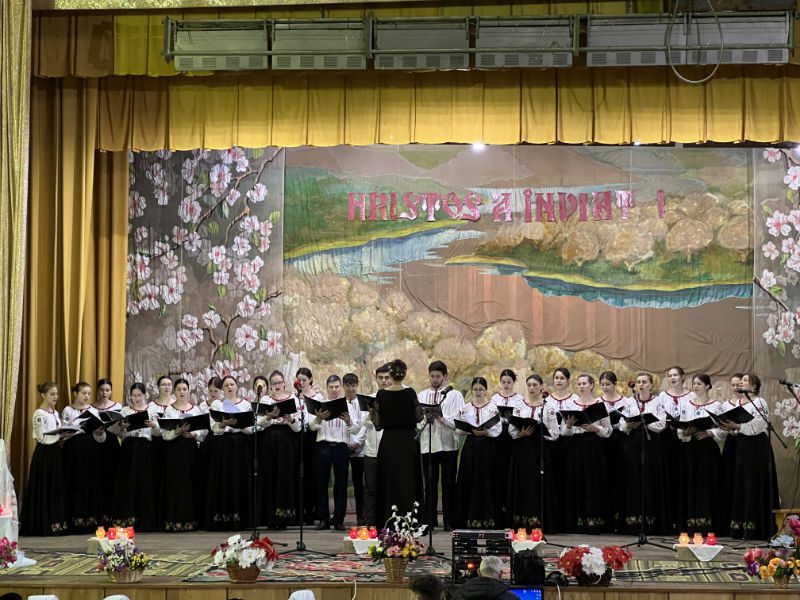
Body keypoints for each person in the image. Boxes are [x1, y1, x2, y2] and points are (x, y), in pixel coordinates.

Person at [724, 373, 780, 540]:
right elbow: (739, 427)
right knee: (743, 484)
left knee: (753, 483)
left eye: (745, 380)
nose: (742, 382)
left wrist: (738, 426)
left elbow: (759, 425)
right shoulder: (738, 403)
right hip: (742, 446)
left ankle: (757, 527)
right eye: (741, 380)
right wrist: (730, 427)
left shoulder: (759, 402)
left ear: (754, 386)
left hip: (757, 447)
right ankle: (741, 527)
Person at [559, 373, 612, 534]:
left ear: (592, 385)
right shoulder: (571, 404)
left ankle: (594, 521)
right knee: (577, 481)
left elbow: (608, 430)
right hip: (576, 446)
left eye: (584, 383)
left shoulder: (600, 405)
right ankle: (577, 522)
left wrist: (595, 428)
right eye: (579, 383)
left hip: (594, 446)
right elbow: (563, 432)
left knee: (593, 482)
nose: (581, 386)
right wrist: (569, 426)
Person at [507, 374, 559, 531]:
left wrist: (540, 431)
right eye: (529, 385)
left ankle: (539, 521)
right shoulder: (519, 406)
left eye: (535, 385)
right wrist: (521, 433)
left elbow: (555, 433)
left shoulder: (548, 407)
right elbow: (511, 430)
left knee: (538, 484)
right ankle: (522, 521)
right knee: (523, 483)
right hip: (522, 450)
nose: (531, 388)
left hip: (539, 450)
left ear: (541, 387)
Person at [375, 358, 424, 526]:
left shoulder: (382, 395)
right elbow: (419, 418)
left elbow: (378, 424)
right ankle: (410, 519)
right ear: (404, 374)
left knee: (389, 480)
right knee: (408, 480)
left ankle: (388, 519)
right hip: (408, 442)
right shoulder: (410, 393)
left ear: (390, 375)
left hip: (389, 442)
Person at [620, 372, 670, 535]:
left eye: (644, 382)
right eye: (639, 382)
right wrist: (628, 425)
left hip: (651, 443)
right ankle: (633, 522)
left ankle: (651, 522)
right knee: (633, 479)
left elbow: (661, 424)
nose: (641, 384)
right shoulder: (630, 402)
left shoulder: (658, 402)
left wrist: (645, 422)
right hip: (633, 443)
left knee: (650, 479)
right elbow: (621, 423)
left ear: (651, 385)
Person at [417, 360, 464, 531]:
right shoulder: (421, 395)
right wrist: (425, 418)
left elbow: (459, 419)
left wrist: (442, 418)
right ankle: (430, 521)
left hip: (448, 444)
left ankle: (449, 521)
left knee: (449, 483)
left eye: (438, 376)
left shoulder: (455, 395)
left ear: (445, 376)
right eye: (432, 376)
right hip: (428, 445)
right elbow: (417, 421)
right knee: (430, 484)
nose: (435, 379)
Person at [309, 374, 360, 531]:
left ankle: (338, 520)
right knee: (321, 483)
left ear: (341, 387)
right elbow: (312, 427)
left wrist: (348, 421)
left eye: (337, 386)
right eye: (331, 387)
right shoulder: (320, 405)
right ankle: (323, 519)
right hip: (323, 446)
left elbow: (356, 429)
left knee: (341, 484)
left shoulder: (350, 406)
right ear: (327, 388)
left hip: (341, 447)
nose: (334, 390)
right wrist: (318, 418)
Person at [674, 373, 724, 532]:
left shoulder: (716, 406)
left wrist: (709, 433)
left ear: (707, 386)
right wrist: (685, 432)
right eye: (694, 383)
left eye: (699, 384)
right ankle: (690, 523)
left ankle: (708, 524)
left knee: (706, 484)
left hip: (708, 449)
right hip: (690, 449)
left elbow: (723, 429)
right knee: (690, 483)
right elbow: (680, 428)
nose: (695, 386)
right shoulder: (686, 404)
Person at [204, 375, 255, 530]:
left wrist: (240, 424)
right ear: (222, 389)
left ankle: (241, 519)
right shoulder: (217, 404)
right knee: (224, 479)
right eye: (226, 385)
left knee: (239, 479)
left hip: (240, 445)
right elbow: (214, 428)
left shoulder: (245, 404)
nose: (230, 387)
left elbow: (251, 428)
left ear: (237, 386)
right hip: (223, 446)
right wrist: (223, 424)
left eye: (232, 384)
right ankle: (223, 518)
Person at [20, 382, 69, 535]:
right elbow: (41, 437)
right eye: (52, 394)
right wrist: (59, 436)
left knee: (55, 487)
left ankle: (56, 524)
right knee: (44, 486)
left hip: (55, 453)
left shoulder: (55, 413)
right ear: (43, 395)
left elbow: (56, 432)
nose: (56, 397)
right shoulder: (39, 414)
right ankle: (42, 524)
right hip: (44, 454)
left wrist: (65, 434)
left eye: (56, 394)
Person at [454, 377, 502, 528]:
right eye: (475, 389)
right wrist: (469, 429)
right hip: (471, 447)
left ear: (485, 390)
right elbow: (458, 428)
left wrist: (487, 432)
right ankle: (467, 518)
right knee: (469, 479)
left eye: (481, 389)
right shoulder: (466, 408)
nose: (478, 392)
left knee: (486, 480)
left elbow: (498, 428)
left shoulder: (492, 407)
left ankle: (488, 518)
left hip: (486, 446)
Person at [162, 377, 207, 532]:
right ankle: (174, 521)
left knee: (191, 484)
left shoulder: (195, 410)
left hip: (191, 450)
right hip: (174, 451)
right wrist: (177, 432)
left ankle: (192, 521)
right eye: (179, 389)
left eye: (184, 389)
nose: (182, 392)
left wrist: (194, 434)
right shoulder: (169, 410)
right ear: (174, 392)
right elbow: (164, 433)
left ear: (189, 391)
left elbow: (204, 431)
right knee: (176, 485)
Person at [111, 382, 159, 531]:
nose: (136, 398)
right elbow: (115, 431)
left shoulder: (152, 410)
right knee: (128, 482)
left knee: (144, 482)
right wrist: (121, 426)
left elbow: (159, 433)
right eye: (134, 395)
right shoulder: (125, 410)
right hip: (129, 449)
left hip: (145, 449)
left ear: (145, 395)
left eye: (139, 395)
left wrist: (153, 425)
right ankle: (127, 519)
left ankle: (145, 521)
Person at [256, 370, 299, 530]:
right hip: (269, 441)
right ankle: (269, 517)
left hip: (287, 441)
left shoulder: (293, 399)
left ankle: (284, 517)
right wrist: (268, 417)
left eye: (279, 382)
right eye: (274, 383)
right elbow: (258, 423)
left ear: (284, 384)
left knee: (284, 476)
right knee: (269, 476)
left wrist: (291, 419)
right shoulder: (266, 400)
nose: (277, 385)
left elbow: (298, 427)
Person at [61, 381, 105, 532]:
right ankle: (73, 520)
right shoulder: (68, 410)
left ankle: (89, 520)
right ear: (75, 394)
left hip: (89, 449)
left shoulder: (93, 411)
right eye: (83, 393)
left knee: (89, 482)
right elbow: (63, 432)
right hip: (72, 449)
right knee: (74, 481)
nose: (87, 396)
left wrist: (99, 432)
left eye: (88, 393)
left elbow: (100, 436)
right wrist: (72, 428)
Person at [658, 366, 691, 532]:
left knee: (682, 476)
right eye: (670, 375)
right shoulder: (662, 396)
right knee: (668, 476)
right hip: (666, 439)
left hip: (685, 440)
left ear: (683, 377)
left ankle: (682, 519)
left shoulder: (691, 396)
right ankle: (668, 519)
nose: (672, 378)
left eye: (675, 375)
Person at [490, 369, 523, 527]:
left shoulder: (519, 399)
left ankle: (511, 510)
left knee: (511, 472)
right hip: (498, 440)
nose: (506, 385)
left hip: (513, 440)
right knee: (499, 473)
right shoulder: (495, 398)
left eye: (509, 382)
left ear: (514, 382)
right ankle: (498, 510)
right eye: (503, 382)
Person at [598, 371, 628, 533]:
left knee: (619, 478)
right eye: (602, 384)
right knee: (605, 478)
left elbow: (627, 420)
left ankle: (619, 518)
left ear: (615, 384)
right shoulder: (598, 402)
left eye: (608, 384)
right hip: (603, 443)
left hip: (620, 442)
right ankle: (606, 519)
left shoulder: (625, 401)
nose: (605, 387)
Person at [362, 363, 390, 526]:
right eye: (381, 378)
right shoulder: (369, 399)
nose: (384, 381)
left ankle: (389, 519)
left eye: (387, 378)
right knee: (370, 488)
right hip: (372, 450)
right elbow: (363, 424)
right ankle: (369, 520)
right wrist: (371, 415)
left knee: (389, 487)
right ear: (376, 379)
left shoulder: (395, 398)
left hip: (389, 450)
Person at [91, 378, 122, 523]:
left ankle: (110, 514)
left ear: (111, 391)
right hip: (95, 444)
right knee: (96, 477)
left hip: (112, 444)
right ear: (97, 391)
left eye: (107, 390)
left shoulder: (117, 406)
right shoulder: (91, 407)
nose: (104, 393)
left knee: (111, 477)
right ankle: (96, 513)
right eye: (102, 390)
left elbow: (120, 429)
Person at [296, 367, 323, 525]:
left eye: (304, 380)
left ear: (310, 380)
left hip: (313, 436)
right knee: (301, 474)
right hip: (298, 437)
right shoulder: (295, 398)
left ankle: (314, 511)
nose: (301, 383)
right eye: (299, 380)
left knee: (313, 473)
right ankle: (301, 510)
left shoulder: (317, 397)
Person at [718, 372, 744, 537]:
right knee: (729, 480)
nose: (735, 388)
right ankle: (728, 523)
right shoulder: (726, 405)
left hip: (745, 443)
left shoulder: (752, 403)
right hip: (731, 444)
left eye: (738, 385)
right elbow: (721, 429)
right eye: (733, 385)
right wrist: (724, 426)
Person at [344, 373, 367, 525]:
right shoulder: (341, 403)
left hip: (361, 448)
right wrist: (348, 443)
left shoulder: (363, 402)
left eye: (353, 385)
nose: (351, 389)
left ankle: (361, 515)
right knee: (343, 482)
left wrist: (357, 442)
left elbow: (364, 425)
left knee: (359, 483)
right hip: (344, 447)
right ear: (343, 386)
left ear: (357, 386)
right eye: (348, 385)